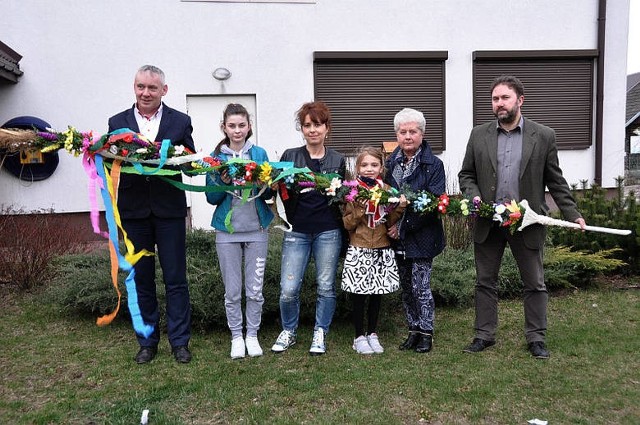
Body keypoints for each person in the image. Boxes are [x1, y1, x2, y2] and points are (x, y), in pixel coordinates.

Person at [458, 75, 586, 359]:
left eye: (504, 98)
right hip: (488, 222)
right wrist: (474, 197)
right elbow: (467, 174)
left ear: (520, 100)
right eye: (495, 99)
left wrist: (573, 214)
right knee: (485, 281)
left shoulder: (543, 136)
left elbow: (556, 181)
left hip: (527, 222)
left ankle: (536, 337)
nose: (499, 104)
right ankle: (484, 334)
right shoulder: (478, 135)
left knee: (534, 282)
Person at [108, 65, 195, 364]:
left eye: (152, 88)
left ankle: (180, 342)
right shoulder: (116, 122)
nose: (145, 93)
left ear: (164, 91)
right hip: (133, 213)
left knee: (175, 279)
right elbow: (111, 164)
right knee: (141, 279)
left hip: (169, 211)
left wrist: (180, 158)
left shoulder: (180, 121)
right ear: (134, 87)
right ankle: (147, 342)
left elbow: (189, 161)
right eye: (140, 86)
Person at [271, 101, 346, 356]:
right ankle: (289, 331)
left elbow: (345, 196)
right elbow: (279, 189)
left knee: (325, 285)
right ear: (301, 129)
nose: (312, 130)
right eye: (307, 125)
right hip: (297, 229)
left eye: (317, 125)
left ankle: (320, 331)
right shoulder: (290, 156)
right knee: (288, 288)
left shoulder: (337, 159)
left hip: (328, 231)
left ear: (327, 128)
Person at [205, 103, 274, 359]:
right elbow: (211, 199)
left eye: (242, 125)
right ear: (224, 127)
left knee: (254, 289)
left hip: (256, 229)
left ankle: (252, 335)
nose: (237, 131)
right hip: (227, 232)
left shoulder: (260, 154)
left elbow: (268, 193)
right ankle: (236, 336)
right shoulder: (215, 159)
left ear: (249, 126)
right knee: (232, 290)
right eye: (232, 126)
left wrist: (262, 184)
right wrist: (221, 183)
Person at [384, 108, 446, 354]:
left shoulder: (434, 165)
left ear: (422, 133)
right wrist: (391, 226)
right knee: (406, 288)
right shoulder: (390, 163)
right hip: (397, 238)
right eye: (402, 132)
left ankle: (426, 333)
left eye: (413, 131)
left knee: (421, 287)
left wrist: (403, 228)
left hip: (422, 236)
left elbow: (431, 204)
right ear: (397, 135)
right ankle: (413, 329)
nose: (407, 136)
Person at [341, 147, 407, 355]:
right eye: (364, 165)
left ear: (381, 167)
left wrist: (400, 207)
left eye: (374, 165)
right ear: (357, 167)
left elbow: (389, 221)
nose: (369, 169)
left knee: (377, 292)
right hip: (359, 246)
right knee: (359, 293)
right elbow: (348, 224)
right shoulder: (352, 191)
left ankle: (373, 333)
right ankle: (359, 336)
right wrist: (360, 209)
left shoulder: (387, 190)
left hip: (381, 246)